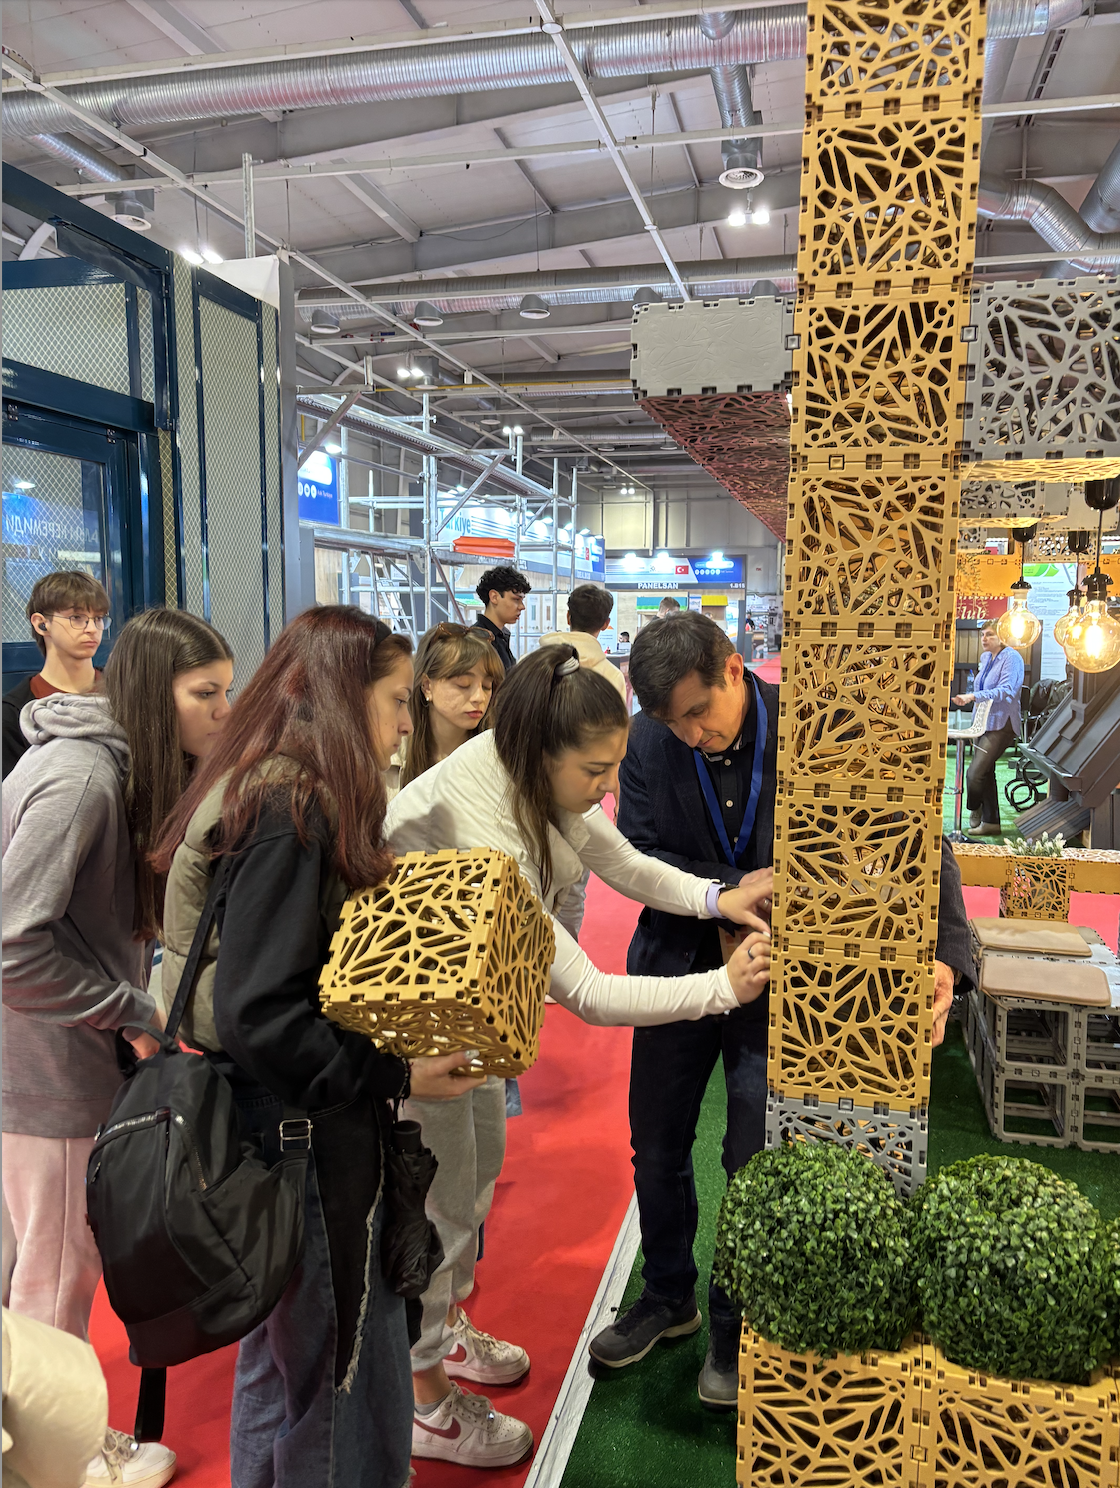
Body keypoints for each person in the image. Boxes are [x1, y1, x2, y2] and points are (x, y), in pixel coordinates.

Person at [387, 645, 774, 1471]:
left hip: (474, 1013)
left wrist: (717, 897)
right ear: (544, 754)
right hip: (419, 1031)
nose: (607, 788)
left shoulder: (532, 768)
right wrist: (724, 986)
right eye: (596, 772)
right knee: (436, 1212)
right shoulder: (487, 832)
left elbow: (622, 861)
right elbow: (590, 993)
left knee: (473, 1186)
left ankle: (444, 1334)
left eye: (613, 768)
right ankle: (425, 1401)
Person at [592, 611, 973, 1407]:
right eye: (673, 723)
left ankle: (735, 1322)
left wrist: (945, 953)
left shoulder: (818, 723)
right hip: (677, 965)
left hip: (787, 982)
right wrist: (730, 895)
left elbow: (914, 834)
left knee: (752, 1156)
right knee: (654, 1145)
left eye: (699, 713)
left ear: (734, 669)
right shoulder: (648, 740)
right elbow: (639, 853)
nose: (691, 735)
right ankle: (667, 1295)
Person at [153, 607, 476, 1488]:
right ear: (341, 692)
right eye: (397, 700)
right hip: (301, 1129)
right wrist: (394, 1070)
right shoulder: (292, 801)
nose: (406, 724)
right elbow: (260, 1010)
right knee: (344, 1376)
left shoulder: (266, 781)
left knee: (287, 1367)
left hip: (276, 1117)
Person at [2, 607, 234, 1488]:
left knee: (28, 1267)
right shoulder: (82, 781)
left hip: (44, 1057)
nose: (222, 710)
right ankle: (60, 1462)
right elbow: (12, 946)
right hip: (48, 1070)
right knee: (54, 1280)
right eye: (204, 693)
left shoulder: (96, 766)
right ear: (151, 696)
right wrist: (130, 1007)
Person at [539, 585, 627, 939]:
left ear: (567, 616)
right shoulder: (610, 676)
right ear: (606, 624)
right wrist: (619, 796)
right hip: (581, 793)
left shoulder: (535, 663)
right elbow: (615, 744)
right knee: (573, 883)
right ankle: (563, 957)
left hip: (533, 786)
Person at [2, 571, 110, 780]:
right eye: (77, 618)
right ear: (41, 624)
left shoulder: (122, 688)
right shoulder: (15, 712)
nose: (92, 629)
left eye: (98, 618)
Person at [398, 622, 504, 793]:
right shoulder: (394, 752)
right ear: (427, 686)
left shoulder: (498, 756)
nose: (479, 697)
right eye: (463, 684)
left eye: (487, 686)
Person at [952, 622, 1025, 836]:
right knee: (986, 772)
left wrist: (972, 696)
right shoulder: (986, 658)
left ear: (1002, 636)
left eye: (990, 634)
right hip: (982, 723)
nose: (984, 638)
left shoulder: (1012, 658)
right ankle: (991, 823)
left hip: (1003, 723)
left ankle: (974, 808)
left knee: (974, 773)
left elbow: (1006, 690)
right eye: (982, 634)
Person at [472, 565, 531, 672]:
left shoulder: (501, 636)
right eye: (516, 599)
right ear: (494, 597)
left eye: (522, 600)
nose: (522, 607)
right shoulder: (477, 641)